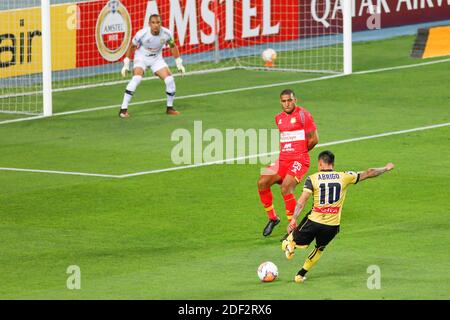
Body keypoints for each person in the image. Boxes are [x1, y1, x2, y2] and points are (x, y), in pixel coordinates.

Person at [282, 150, 395, 283]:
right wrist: (385, 168)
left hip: (314, 221)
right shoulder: (344, 176)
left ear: (320, 163)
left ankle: (290, 245)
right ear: (332, 164)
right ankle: (300, 275)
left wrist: (294, 219)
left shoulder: (312, 178)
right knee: (319, 249)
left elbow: (302, 201)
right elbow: (369, 172)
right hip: (332, 226)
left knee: (286, 241)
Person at [257, 89, 319, 237]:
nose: (287, 103)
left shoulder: (304, 115)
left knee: (286, 188)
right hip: (282, 160)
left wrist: (301, 153)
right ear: (280, 102)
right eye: (284, 101)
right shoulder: (278, 118)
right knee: (262, 182)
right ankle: (273, 218)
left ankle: (293, 228)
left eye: (289, 100)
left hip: (299, 159)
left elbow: (314, 139)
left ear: (295, 100)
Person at [119, 14, 185, 118]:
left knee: (170, 80)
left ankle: (169, 108)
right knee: (136, 78)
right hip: (141, 58)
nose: (156, 25)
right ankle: (123, 109)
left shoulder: (167, 34)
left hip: (156, 59)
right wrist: (126, 64)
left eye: (158, 22)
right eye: (153, 23)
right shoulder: (142, 34)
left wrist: (179, 63)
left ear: (161, 23)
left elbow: (172, 46)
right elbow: (132, 46)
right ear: (149, 24)